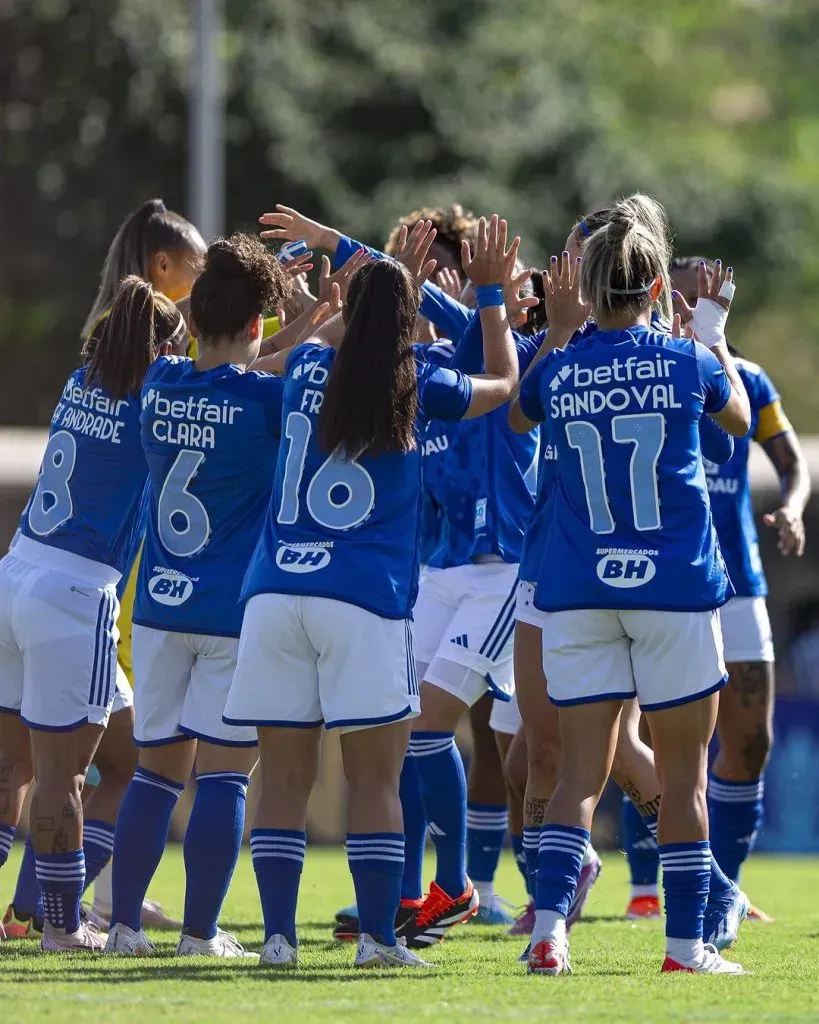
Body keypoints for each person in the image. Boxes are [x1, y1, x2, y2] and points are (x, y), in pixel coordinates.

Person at [223, 215, 520, 969]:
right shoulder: (418, 376)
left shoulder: (304, 366)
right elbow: (508, 385)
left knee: (284, 783)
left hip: (275, 592)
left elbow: (259, 360)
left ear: (346, 310)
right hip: (363, 597)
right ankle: (382, 942)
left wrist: (322, 304)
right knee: (374, 781)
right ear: (409, 317)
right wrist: (487, 297)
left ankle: (279, 941)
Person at [510, 194, 752, 975]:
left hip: (580, 590)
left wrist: (556, 332)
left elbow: (518, 416)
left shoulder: (564, 369)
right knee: (682, 780)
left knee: (582, 771)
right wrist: (706, 334)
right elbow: (739, 417)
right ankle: (685, 948)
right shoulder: (683, 361)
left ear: (584, 285)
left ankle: (549, 931)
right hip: (673, 591)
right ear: (655, 290)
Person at [620, 256, 811, 920]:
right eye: (683, 284)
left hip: (738, 581)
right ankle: (647, 885)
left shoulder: (747, 380)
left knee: (748, 741)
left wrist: (790, 507)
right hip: (667, 577)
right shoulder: (650, 369)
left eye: (708, 288)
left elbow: (790, 464)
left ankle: (722, 888)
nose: (696, 294)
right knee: (654, 732)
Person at [0, 277, 185, 951]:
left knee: (83, 760)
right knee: (63, 775)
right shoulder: (156, 399)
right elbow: (226, 376)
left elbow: (145, 338)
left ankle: (46, 910)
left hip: (17, 569)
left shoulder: (82, 378)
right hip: (73, 594)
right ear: (161, 347)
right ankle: (59, 924)